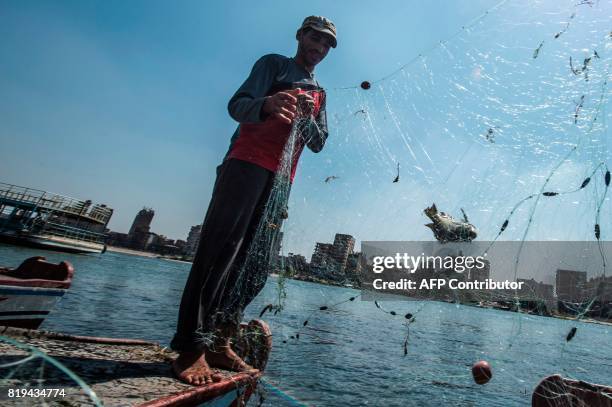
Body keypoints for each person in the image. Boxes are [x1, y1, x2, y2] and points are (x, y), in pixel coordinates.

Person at [170, 16, 337, 385]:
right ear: (300, 35)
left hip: (280, 180)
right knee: (220, 251)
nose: (319, 47)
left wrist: (308, 119)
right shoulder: (274, 65)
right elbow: (237, 105)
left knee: (256, 262)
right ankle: (190, 346)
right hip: (246, 164)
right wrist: (267, 104)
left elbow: (319, 142)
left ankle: (220, 339)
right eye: (314, 38)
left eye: (326, 44)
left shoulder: (321, 93)